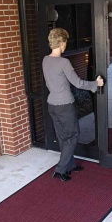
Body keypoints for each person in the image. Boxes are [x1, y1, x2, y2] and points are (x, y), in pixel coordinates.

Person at [42, 28, 104, 182]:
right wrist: (96, 84)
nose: (66, 45)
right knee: (72, 135)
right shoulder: (64, 62)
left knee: (63, 136)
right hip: (64, 105)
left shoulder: (45, 60)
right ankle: (60, 169)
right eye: (65, 43)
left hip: (52, 104)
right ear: (62, 43)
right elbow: (77, 83)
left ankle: (69, 165)